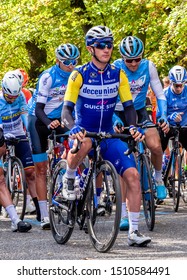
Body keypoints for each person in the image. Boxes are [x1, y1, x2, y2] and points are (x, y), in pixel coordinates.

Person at [61, 25, 151, 247]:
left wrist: (132, 127)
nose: (106, 49)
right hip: (85, 130)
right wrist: (73, 128)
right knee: (82, 143)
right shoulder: (78, 74)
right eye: (101, 45)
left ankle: (134, 231)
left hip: (108, 133)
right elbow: (66, 110)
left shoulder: (118, 74)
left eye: (109, 44)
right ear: (90, 49)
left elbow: (129, 107)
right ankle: (69, 176)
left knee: (132, 175)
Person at [112, 36, 169, 230]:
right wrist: (114, 119)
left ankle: (159, 177)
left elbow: (160, 94)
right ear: (122, 58)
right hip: (118, 111)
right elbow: (108, 97)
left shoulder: (149, 66)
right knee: (124, 161)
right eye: (130, 60)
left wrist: (162, 115)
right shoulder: (115, 68)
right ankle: (123, 213)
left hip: (139, 110)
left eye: (137, 59)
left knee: (155, 145)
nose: (134, 63)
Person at [28, 43, 80, 230]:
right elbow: (38, 108)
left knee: (79, 147)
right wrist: (49, 122)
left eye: (74, 61)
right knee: (41, 169)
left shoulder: (77, 74)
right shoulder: (48, 77)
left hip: (61, 117)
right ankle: (44, 214)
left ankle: (68, 179)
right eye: (67, 62)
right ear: (58, 60)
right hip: (38, 119)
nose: (71, 65)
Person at [0, 71, 40, 221]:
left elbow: (25, 115)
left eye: (15, 96)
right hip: (2, 133)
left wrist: (29, 132)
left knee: (30, 173)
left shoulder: (21, 96)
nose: (12, 99)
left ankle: (38, 208)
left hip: (17, 133)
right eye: (10, 96)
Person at [158, 65, 187, 173]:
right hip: (168, 126)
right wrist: (170, 117)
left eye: (181, 85)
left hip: (184, 126)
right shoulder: (164, 94)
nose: (179, 88)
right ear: (171, 82)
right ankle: (159, 172)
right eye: (176, 85)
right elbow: (159, 116)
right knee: (158, 148)